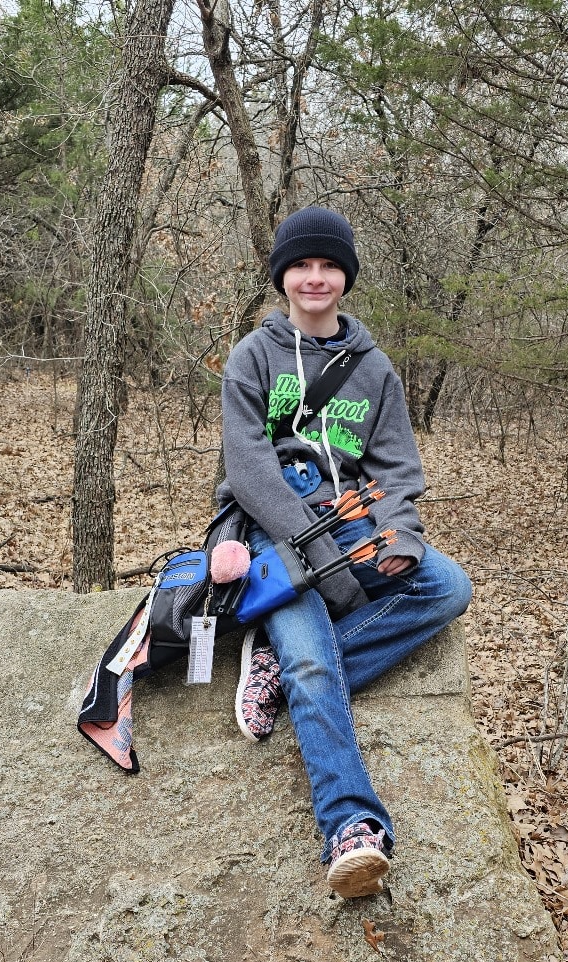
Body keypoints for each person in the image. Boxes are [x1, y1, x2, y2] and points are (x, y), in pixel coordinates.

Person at [216, 207, 472, 899]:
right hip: (277, 531)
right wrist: (317, 552)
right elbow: (248, 471)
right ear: (282, 276)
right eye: (302, 265)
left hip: (356, 524)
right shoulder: (254, 358)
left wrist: (402, 534)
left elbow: (395, 468)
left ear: (346, 277)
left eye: (329, 265)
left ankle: (278, 672)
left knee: (447, 586)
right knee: (310, 656)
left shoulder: (374, 368)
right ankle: (352, 827)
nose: (315, 277)